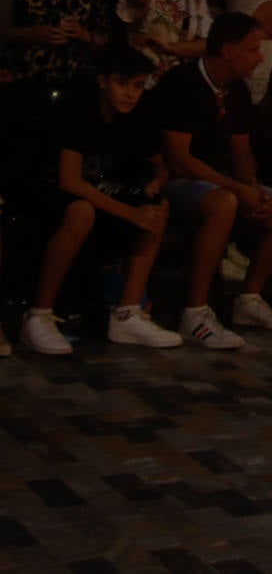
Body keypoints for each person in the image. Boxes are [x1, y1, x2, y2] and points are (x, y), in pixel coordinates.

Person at [152, 12, 272, 349]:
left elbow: (241, 150)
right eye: (253, 49)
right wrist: (237, 189)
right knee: (224, 202)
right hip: (178, 180)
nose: (260, 56)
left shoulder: (237, 92)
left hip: (222, 180)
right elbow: (180, 158)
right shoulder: (183, 83)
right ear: (229, 51)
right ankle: (195, 311)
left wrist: (253, 186)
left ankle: (249, 299)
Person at [20, 45, 183, 354]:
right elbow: (68, 180)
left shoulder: (139, 112)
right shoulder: (81, 108)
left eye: (137, 86)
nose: (130, 94)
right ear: (104, 81)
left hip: (100, 187)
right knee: (82, 211)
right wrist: (129, 213)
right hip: (46, 186)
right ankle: (38, 314)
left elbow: (161, 165)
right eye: (123, 84)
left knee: (158, 207)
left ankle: (128, 311)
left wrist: (153, 185)